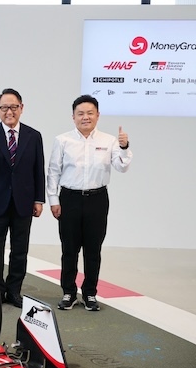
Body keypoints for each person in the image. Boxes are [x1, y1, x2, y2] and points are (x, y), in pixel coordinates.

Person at [47, 94, 132, 311]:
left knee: (93, 250)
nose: (85, 117)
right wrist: (54, 200)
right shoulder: (62, 140)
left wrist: (124, 147)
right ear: (73, 116)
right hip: (69, 199)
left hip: (98, 199)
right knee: (69, 249)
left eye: (90, 113)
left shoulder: (109, 141)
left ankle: (90, 293)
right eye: (81, 113)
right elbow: (53, 172)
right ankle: (68, 292)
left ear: (98, 115)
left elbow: (122, 167)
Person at [0, 88, 45, 309]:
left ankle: (14, 291)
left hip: (23, 202)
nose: (9, 112)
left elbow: (38, 169)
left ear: (21, 108)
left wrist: (38, 199)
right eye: (4, 108)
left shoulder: (34, 136)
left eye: (14, 107)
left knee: (19, 250)